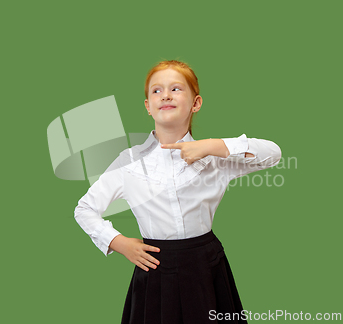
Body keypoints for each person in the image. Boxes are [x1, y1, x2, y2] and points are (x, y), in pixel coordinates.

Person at [74, 60, 282, 323]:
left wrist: (212, 145)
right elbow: (85, 209)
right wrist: (119, 243)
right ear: (148, 107)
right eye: (157, 91)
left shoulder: (215, 157)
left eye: (176, 88)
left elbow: (273, 154)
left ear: (196, 103)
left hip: (205, 266)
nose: (166, 95)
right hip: (154, 267)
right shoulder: (129, 161)